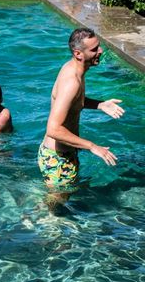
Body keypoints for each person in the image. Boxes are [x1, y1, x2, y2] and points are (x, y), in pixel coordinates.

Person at [38, 28, 124, 207]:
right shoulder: (72, 82)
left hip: (61, 154)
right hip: (58, 159)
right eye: (94, 50)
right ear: (78, 54)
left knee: (59, 201)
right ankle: (32, 226)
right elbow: (53, 129)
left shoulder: (74, 70)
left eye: (98, 47)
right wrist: (92, 146)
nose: (100, 51)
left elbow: (74, 102)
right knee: (53, 209)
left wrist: (100, 104)